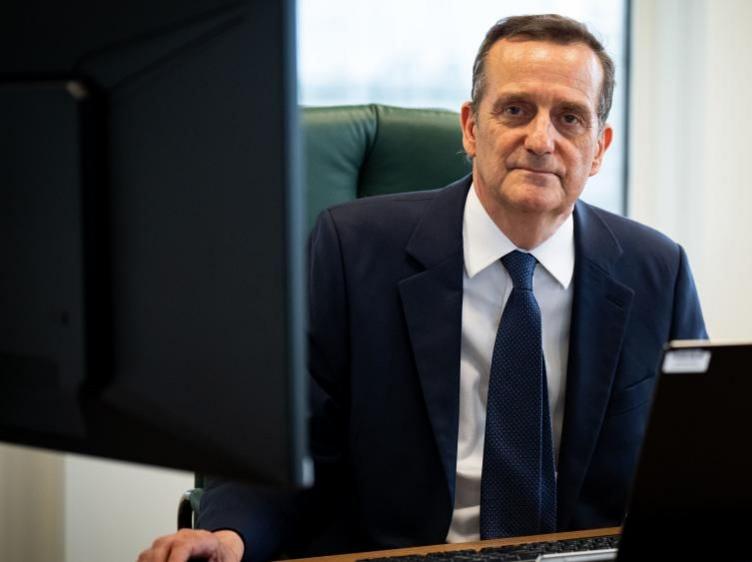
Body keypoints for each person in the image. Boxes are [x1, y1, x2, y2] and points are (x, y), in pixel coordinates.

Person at [138, 14, 706, 562]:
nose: (541, 139)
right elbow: (291, 445)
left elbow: (692, 462)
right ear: (471, 128)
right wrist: (229, 536)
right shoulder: (351, 249)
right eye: (515, 110)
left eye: (570, 118)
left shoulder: (657, 271)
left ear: (600, 147)